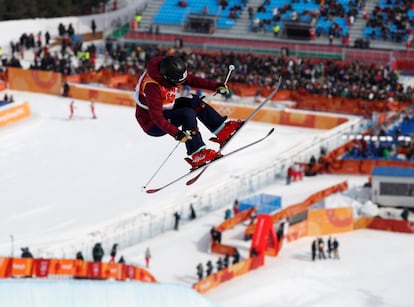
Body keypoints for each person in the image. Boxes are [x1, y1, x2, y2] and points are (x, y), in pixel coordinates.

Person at [134, 55, 242, 169]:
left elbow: (191, 80)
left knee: (194, 101)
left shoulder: (167, 70)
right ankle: (197, 154)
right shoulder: (152, 87)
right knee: (187, 114)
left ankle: (221, 130)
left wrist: (215, 86)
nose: (178, 85)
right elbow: (156, 117)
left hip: (164, 112)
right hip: (153, 124)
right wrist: (177, 133)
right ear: (167, 78)